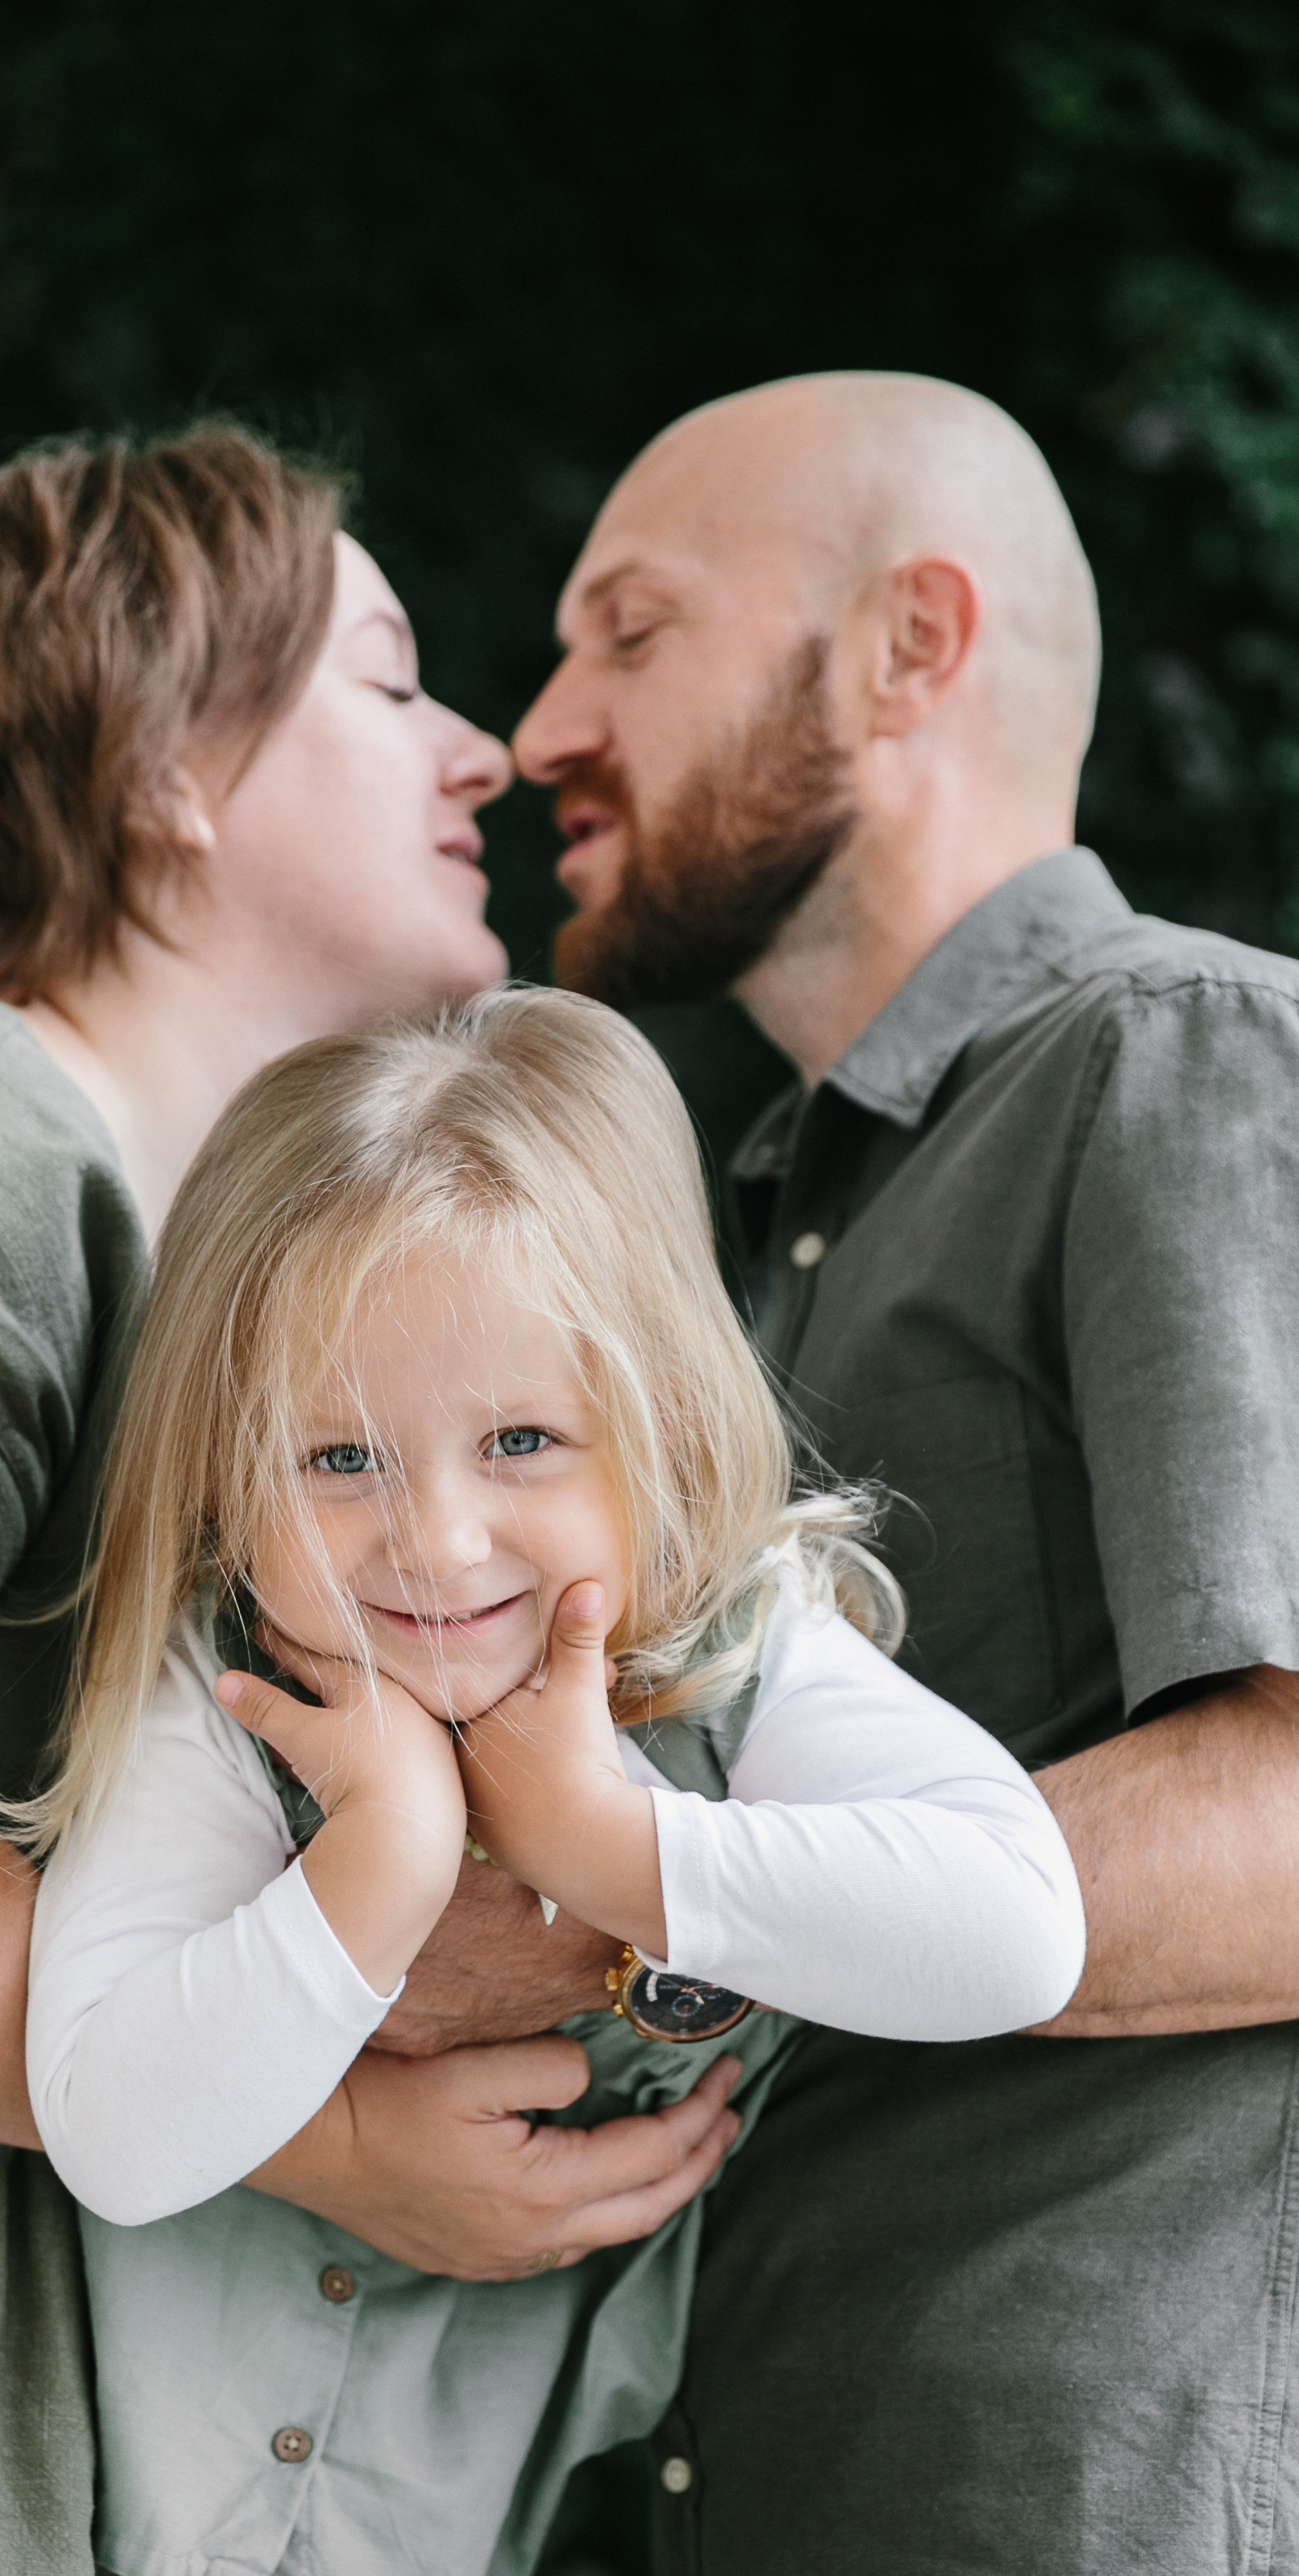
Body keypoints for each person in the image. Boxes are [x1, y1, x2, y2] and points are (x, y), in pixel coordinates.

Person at [0, 424, 716, 2576]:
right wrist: (314, 2112)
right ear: (165, 758)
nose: (480, 750)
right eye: (388, 680)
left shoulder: (187, 1267)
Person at [514, 368, 1299, 2573]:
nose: (542, 726)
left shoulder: (1180, 1060)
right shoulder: (753, 1233)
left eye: (629, 632)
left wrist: (633, 1925)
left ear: (907, 647)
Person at [17, 983, 1083, 2576]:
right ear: (226, 1474)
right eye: (340, 1458)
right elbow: (113, 2129)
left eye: (520, 1440)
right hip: (175, 2514)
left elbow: (1019, 1930)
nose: (440, 1543)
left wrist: (598, 1835)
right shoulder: (224, 1687)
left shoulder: (736, 1641)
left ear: (660, 1425)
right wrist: (383, 1855)